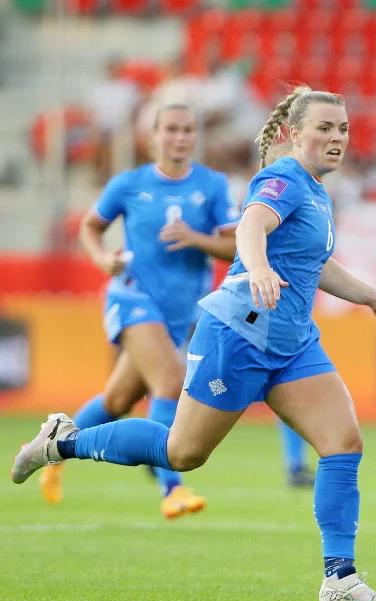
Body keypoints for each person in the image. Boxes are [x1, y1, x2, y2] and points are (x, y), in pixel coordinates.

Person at [12, 86, 376, 601]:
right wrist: (257, 266)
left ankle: (339, 579)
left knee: (343, 444)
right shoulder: (284, 178)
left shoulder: (318, 191)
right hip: (239, 335)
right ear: (295, 133)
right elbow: (251, 226)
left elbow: (314, 264)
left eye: (342, 128)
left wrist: (375, 298)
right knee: (183, 452)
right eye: (324, 128)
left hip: (292, 343)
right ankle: (64, 441)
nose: (336, 138)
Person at [37, 103, 236, 518]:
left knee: (117, 399)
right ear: (153, 136)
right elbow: (91, 226)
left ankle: (50, 449)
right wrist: (99, 258)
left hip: (180, 311)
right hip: (132, 298)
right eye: (171, 130)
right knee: (169, 382)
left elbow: (234, 245)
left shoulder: (213, 186)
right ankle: (172, 488)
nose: (180, 138)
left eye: (187, 130)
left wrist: (194, 238)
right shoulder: (129, 184)